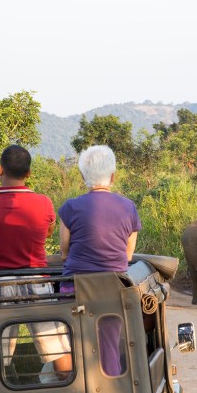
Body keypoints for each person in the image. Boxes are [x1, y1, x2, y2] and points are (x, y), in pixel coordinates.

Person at [0, 145, 72, 381]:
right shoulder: (44, 203)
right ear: (28, 174)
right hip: (36, 281)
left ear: (0, 169)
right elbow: (47, 234)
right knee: (58, 350)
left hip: (0, 283)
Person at [58, 145, 141, 376]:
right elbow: (128, 255)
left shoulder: (70, 207)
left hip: (74, 288)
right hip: (112, 288)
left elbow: (64, 252)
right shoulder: (129, 207)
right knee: (109, 344)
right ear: (113, 176)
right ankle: (111, 383)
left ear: (83, 176)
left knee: (74, 344)